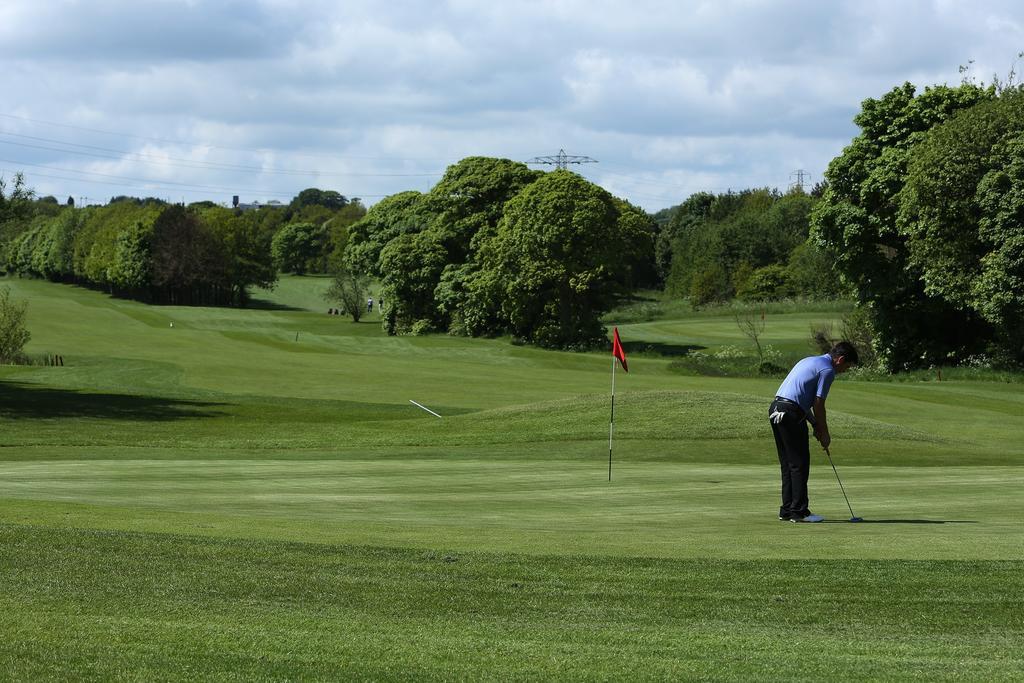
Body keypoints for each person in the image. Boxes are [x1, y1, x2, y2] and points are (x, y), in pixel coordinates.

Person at [768, 341, 859, 523]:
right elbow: (818, 404)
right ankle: (799, 512)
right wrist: (824, 433)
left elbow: (799, 399)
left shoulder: (809, 361)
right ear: (840, 360)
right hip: (791, 413)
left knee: (789, 464)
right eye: (846, 367)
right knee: (799, 463)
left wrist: (815, 425)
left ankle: (787, 510)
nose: (844, 371)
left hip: (776, 408)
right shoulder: (827, 370)